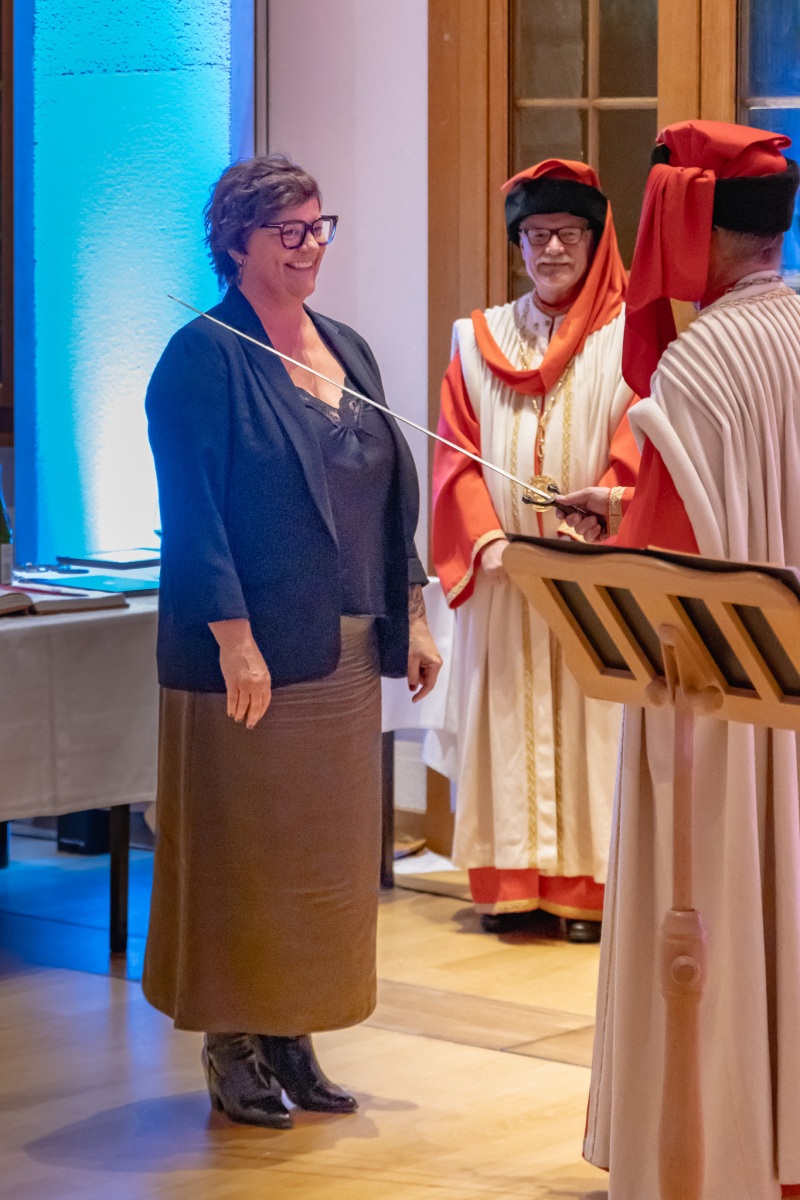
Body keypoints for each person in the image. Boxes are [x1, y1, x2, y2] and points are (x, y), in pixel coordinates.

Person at [142, 154, 441, 1128]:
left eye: (320, 227)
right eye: (290, 232)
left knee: (319, 864)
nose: (311, 246)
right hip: (249, 658)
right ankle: (230, 1038)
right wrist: (234, 638)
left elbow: (386, 496)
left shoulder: (347, 346)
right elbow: (193, 515)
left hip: (341, 652)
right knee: (242, 853)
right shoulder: (202, 356)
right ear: (236, 243)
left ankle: (290, 1033)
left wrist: (413, 612)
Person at [566, 120, 800, 1199]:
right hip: (786, 671)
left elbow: (669, 571)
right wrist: (631, 502)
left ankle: (713, 1158)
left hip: (721, 704)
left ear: (693, 224)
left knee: (721, 899)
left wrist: (617, 532)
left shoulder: (700, 362)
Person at [430, 160, 639, 942]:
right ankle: (512, 885)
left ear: (596, 238)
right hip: (507, 576)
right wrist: (487, 541)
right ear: (518, 243)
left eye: (568, 233)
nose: (551, 249)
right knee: (507, 719)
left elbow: (643, 445)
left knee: (594, 729)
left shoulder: (631, 340)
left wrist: (609, 504)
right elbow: (453, 455)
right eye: (536, 234)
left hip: (592, 577)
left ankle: (587, 891)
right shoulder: (477, 338)